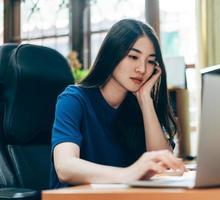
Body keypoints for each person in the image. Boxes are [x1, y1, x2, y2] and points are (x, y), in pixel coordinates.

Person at [50, 19, 185, 189]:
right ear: (111, 54)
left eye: (150, 61)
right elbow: (65, 167)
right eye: (133, 57)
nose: (142, 69)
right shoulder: (74, 99)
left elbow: (163, 164)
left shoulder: (138, 106)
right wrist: (128, 173)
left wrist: (145, 100)